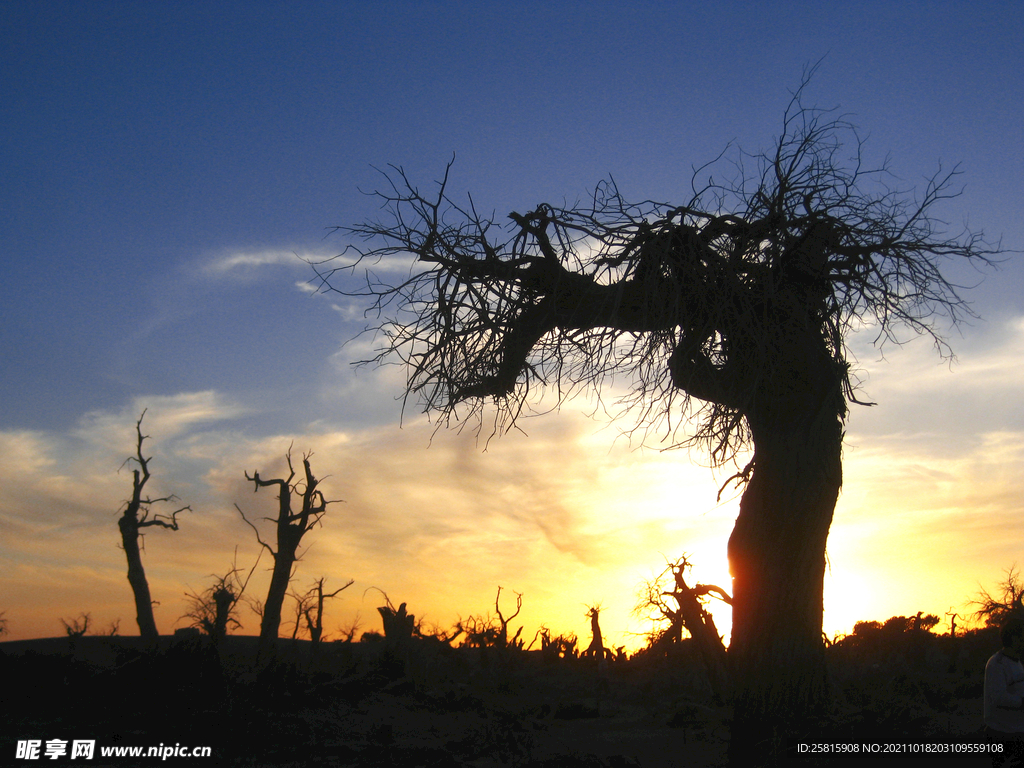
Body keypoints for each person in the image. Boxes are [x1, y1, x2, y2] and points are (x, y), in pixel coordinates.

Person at [985, 616, 1024, 765]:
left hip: (1017, 732)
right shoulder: (997, 664)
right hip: (1003, 735)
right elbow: (999, 697)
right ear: (1015, 638)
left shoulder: (1018, 662)